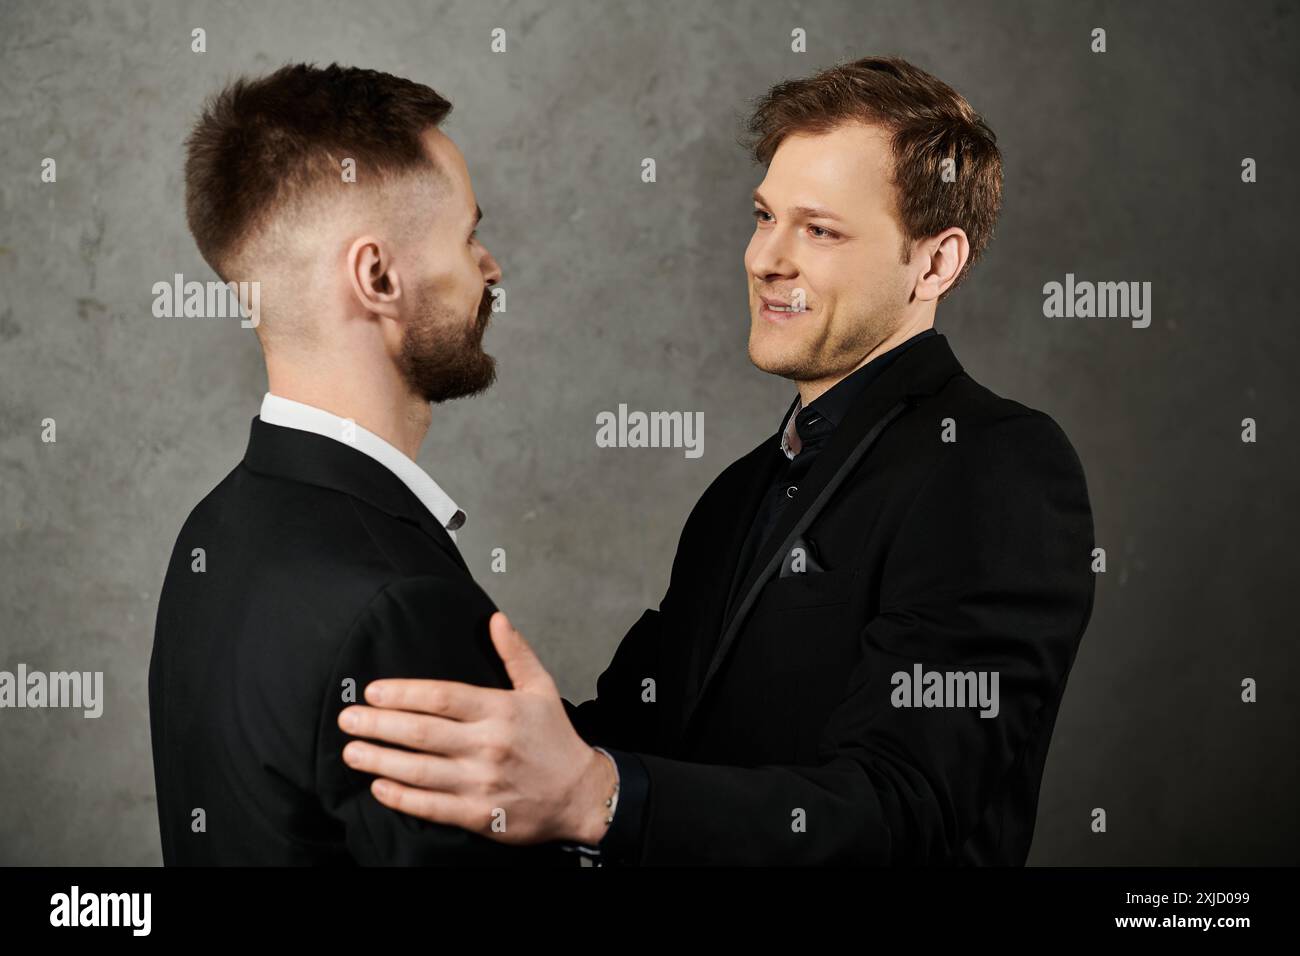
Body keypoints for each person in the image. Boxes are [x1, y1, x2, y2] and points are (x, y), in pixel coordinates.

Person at [338, 56, 1097, 866]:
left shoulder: (995, 465)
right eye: (765, 216)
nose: (767, 257)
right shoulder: (739, 493)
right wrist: (403, 659)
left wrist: (597, 798)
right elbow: (629, 738)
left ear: (936, 263)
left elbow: (902, 811)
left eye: (821, 229)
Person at [148, 64, 598, 864]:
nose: (490, 267)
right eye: (467, 235)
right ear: (379, 277)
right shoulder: (400, 609)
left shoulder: (214, 530)